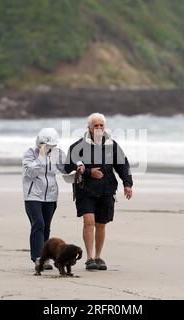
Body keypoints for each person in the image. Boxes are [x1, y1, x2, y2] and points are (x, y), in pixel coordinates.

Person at [64, 113, 133, 271]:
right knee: (88, 222)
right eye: (96, 125)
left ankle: (98, 257)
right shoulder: (78, 146)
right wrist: (88, 172)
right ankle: (89, 258)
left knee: (101, 225)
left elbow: (123, 164)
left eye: (101, 125)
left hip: (107, 190)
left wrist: (127, 184)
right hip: (85, 190)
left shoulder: (112, 145)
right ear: (89, 127)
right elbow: (68, 166)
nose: (99, 128)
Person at [22, 128, 66, 270]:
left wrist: (77, 167)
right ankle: (37, 258)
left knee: (46, 226)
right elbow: (30, 172)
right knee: (38, 224)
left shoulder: (57, 153)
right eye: (47, 146)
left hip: (51, 195)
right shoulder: (30, 152)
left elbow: (65, 169)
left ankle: (45, 258)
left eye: (52, 146)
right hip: (33, 196)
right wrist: (41, 156)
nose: (50, 148)